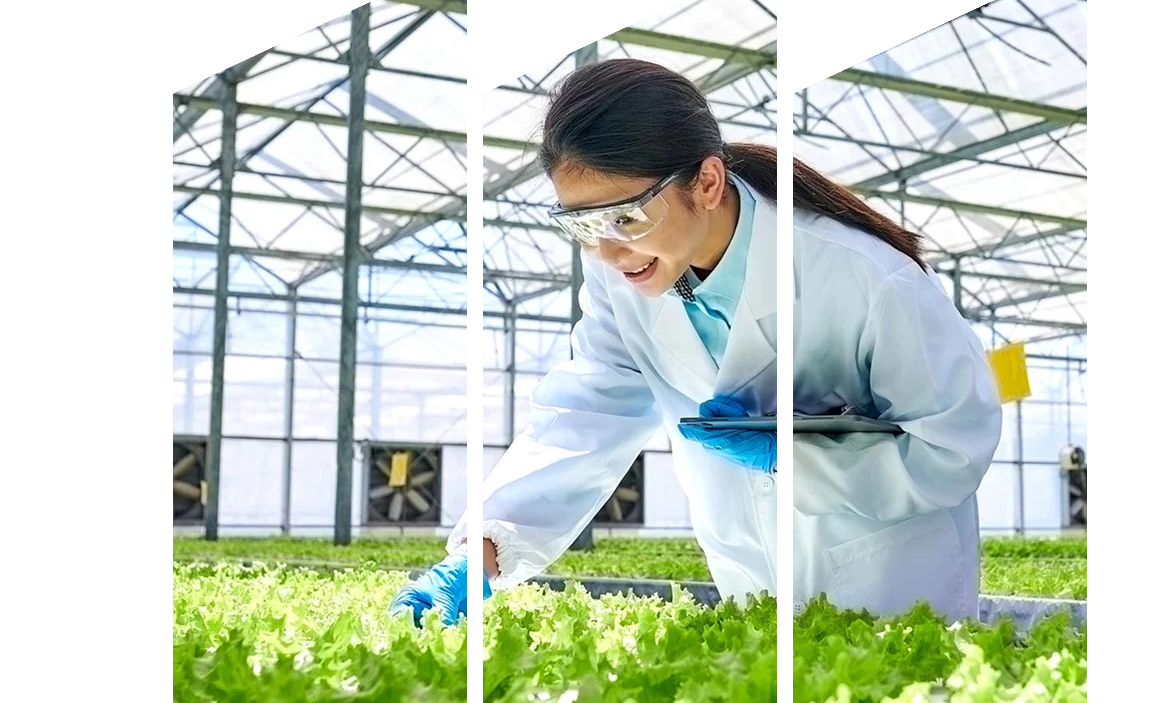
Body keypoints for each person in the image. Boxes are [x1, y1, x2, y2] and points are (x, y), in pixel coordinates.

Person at [391, 58, 1001, 629]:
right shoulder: (621, 279)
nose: (604, 251)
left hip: (891, 586)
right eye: (582, 225)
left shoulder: (863, 275)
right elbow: (589, 411)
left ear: (707, 182)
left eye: (624, 218)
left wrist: (793, 457)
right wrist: (489, 551)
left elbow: (952, 445)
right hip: (751, 583)